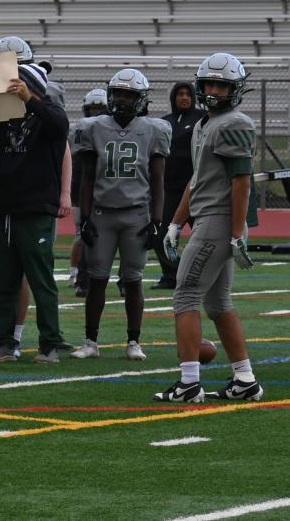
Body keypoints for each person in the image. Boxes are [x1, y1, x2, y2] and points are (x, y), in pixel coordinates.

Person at [156, 54, 264, 403]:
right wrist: (175, 221)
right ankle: (245, 379)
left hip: (218, 222)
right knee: (218, 304)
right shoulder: (204, 124)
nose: (215, 91)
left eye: (222, 85)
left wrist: (235, 233)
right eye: (211, 85)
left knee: (185, 295)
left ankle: (189, 383)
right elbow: (197, 179)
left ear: (235, 89)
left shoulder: (234, 123)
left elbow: (242, 183)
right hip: (208, 219)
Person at [0, 38, 71, 364]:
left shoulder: (49, 111)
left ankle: (50, 343)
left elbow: (59, 125)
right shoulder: (6, 116)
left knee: (40, 278)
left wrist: (31, 99)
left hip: (35, 206)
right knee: (3, 277)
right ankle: (5, 341)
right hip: (6, 205)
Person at [71, 69, 167, 361]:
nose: (122, 100)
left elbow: (158, 180)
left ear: (141, 99)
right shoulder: (92, 127)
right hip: (102, 213)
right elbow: (87, 178)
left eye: (129, 95)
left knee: (133, 280)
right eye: (118, 94)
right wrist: (85, 218)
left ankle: (133, 341)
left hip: (136, 214)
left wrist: (157, 221)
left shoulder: (154, 129)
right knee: (97, 279)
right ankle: (91, 341)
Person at [155, 81, 207, 289]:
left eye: (188, 94)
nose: (184, 98)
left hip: (197, 188)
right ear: (173, 98)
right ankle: (172, 274)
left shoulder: (202, 119)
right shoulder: (164, 122)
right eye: (180, 94)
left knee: (204, 236)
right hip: (170, 189)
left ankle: (203, 277)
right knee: (160, 236)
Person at [68, 88, 109, 298]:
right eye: (92, 108)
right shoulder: (78, 130)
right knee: (83, 236)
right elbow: (74, 165)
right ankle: (81, 278)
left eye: (100, 108)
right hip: (82, 189)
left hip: (105, 190)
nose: (96, 113)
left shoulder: (113, 130)